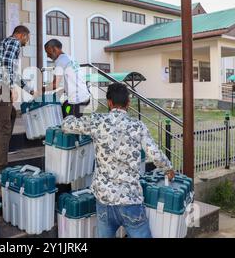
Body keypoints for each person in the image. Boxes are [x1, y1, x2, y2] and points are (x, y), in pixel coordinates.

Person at [61, 82, 175, 238]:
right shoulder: (138, 126)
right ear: (128, 103)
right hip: (131, 200)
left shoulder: (97, 121)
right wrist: (168, 168)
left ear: (109, 102)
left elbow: (66, 125)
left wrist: (68, 107)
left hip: (104, 200)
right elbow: (154, 154)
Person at [0, 26, 34, 177]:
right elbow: (7, 64)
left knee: (11, 114)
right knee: (4, 127)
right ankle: (0, 169)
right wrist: (10, 88)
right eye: (27, 38)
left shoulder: (5, 43)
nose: (26, 42)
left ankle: (1, 150)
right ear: (20, 35)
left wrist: (29, 90)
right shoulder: (14, 42)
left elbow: (14, 73)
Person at [44, 39, 91, 118]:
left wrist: (41, 89)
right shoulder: (69, 58)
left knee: (71, 125)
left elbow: (54, 85)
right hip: (84, 96)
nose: (47, 55)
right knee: (64, 109)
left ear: (54, 49)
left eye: (48, 52)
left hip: (77, 100)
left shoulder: (60, 61)